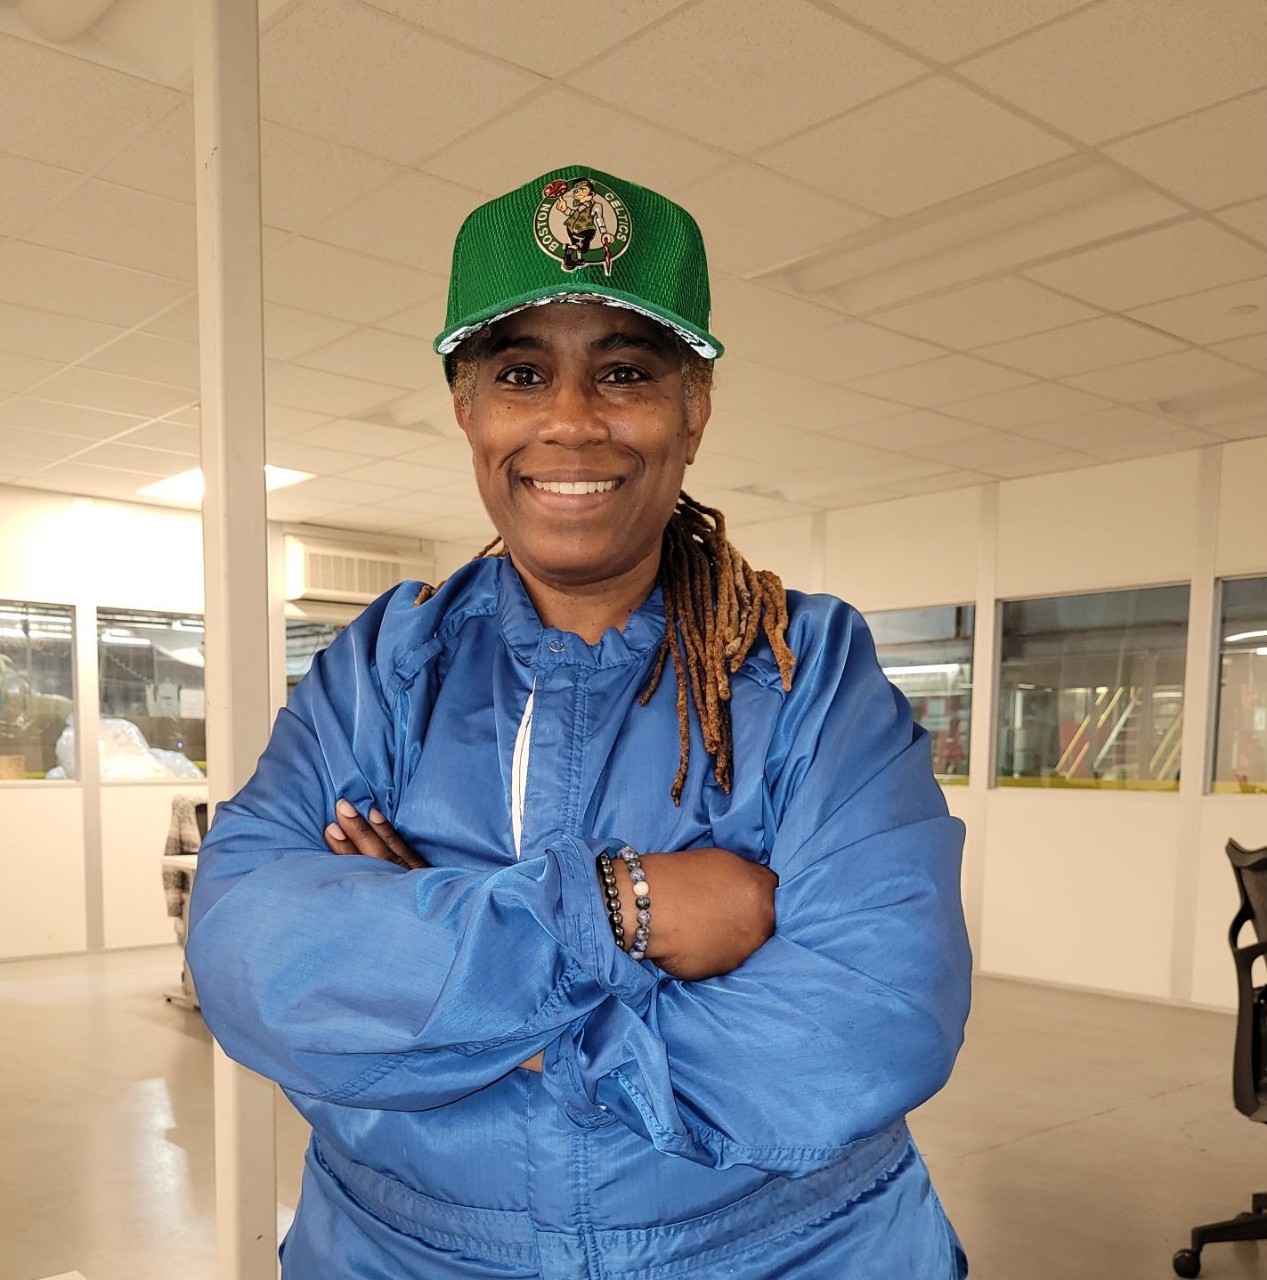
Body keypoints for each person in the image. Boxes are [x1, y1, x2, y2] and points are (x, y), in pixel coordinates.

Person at [187, 165, 972, 1279]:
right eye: (520, 372)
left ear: (691, 408)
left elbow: (868, 1019)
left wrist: (434, 986)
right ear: (467, 405)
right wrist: (621, 908)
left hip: (785, 1252)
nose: (569, 420)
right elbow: (252, 958)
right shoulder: (382, 665)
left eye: (623, 371)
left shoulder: (805, 670)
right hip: (399, 1253)